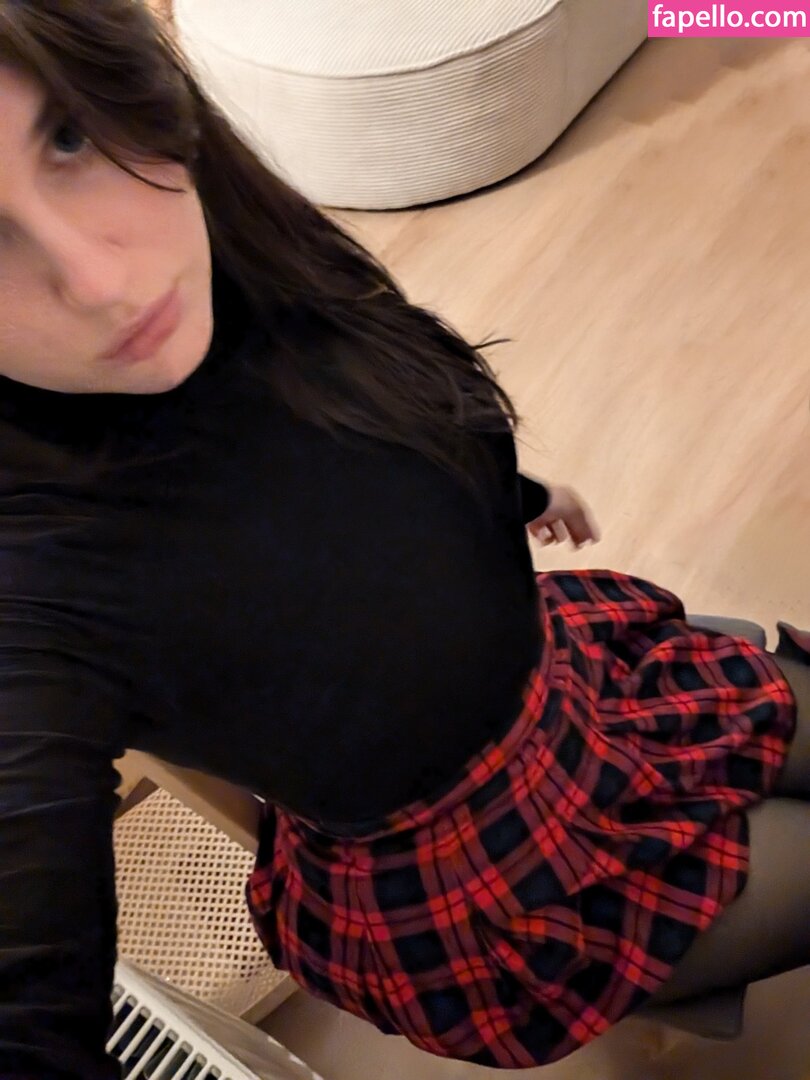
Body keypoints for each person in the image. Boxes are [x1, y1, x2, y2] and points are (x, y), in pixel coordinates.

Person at [0, 2, 809, 1076]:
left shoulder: (251, 263)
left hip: (579, 692)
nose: (98, 281)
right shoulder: (36, 586)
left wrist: (511, 490)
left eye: (66, 137)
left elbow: (366, 448)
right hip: (498, 880)